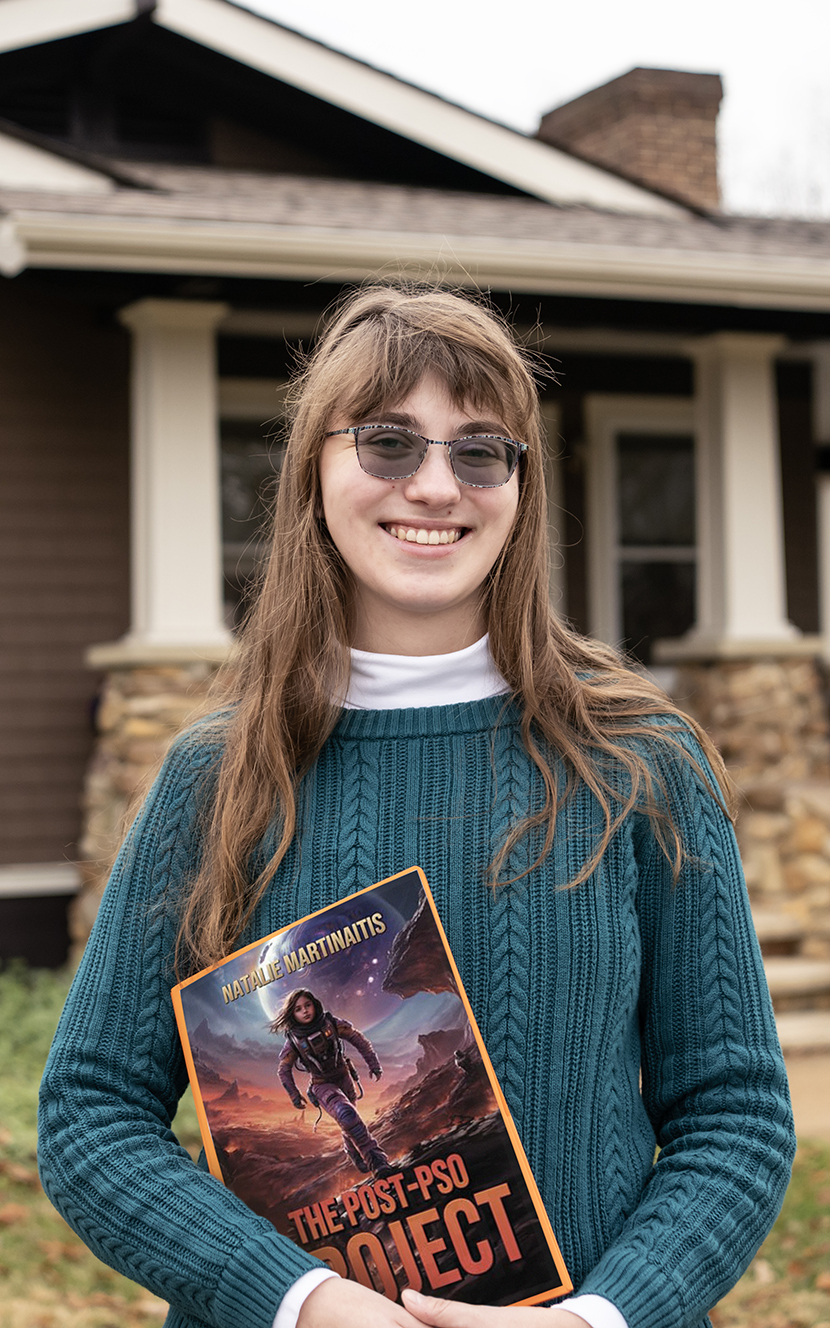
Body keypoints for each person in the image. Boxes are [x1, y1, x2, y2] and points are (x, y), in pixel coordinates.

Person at [39, 283, 795, 1328]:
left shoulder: (637, 761)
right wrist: (300, 1301)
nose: (435, 484)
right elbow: (90, 1117)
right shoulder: (216, 774)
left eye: (479, 450)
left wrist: (596, 1317)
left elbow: (735, 1116)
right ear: (315, 471)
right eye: (389, 443)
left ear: (520, 487)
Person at [272, 987, 388, 1174]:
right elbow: (283, 1070)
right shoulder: (293, 1041)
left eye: (307, 1005)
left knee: (350, 1119)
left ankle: (354, 1153)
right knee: (346, 1114)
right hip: (321, 1085)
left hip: (344, 1078)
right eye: (299, 1009)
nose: (305, 1011)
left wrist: (373, 1064)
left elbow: (357, 1038)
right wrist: (294, 1095)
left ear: (314, 1005)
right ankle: (377, 1162)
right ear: (293, 1014)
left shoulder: (331, 1023)